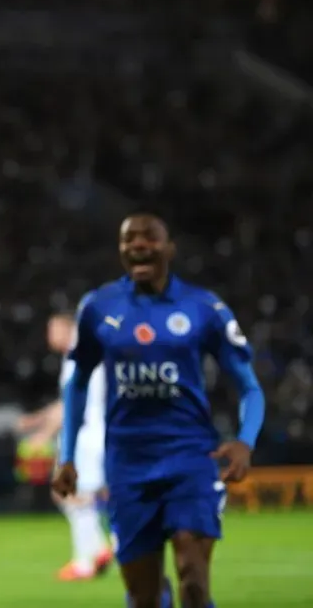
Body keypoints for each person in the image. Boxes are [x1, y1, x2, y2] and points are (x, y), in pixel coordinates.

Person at [52, 214, 266, 608]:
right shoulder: (99, 307)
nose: (137, 245)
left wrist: (245, 441)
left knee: (195, 581)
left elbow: (250, 386)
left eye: (148, 237)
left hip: (190, 458)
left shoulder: (203, 307)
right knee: (144, 595)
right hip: (128, 465)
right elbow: (77, 383)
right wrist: (66, 455)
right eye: (128, 239)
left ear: (170, 248)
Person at [18, 313, 113, 581]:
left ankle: (91, 556)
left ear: (66, 328)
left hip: (85, 436)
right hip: (93, 433)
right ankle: (98, 549)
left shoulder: (77, 357)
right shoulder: (84, 355)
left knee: (70, 493)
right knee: (75, 495)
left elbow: (72, 405)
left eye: (52, 329)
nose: (49, 336)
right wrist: (36, 420)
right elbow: (67, 401)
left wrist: (43, 434)